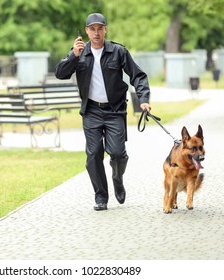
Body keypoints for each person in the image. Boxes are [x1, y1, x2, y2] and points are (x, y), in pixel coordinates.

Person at [54, 12, 152, 211]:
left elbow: (138, 76)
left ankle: (117, 178)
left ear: (105, 29)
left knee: (117, 153)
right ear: (87, 31)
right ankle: (101, 196)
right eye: (92, 29)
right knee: (93, 154)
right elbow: (60, 73)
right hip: (91, 111)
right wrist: (73, 56)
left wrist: (143, 100)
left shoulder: (118, 51)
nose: (96, 33)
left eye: (100, 28)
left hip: (115, 110)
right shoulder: (79, 52)